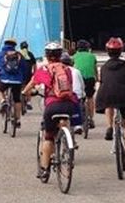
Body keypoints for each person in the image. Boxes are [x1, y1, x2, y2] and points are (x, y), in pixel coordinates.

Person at [22, 42, 80, 180]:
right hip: (69, 104)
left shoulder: (44, 69)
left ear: (47, 55)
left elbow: (32, 84)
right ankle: (67, 145)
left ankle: (45, 169)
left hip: (52, 106)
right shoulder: (67, 69)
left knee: (48, 137)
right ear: (60, 55)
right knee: (64, 121)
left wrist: (24, 93)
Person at [95, 37, 125, 165]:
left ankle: (109, 127)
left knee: (109, 104)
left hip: (107, 95)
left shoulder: (104, 67)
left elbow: (103, 82)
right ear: (120, 51)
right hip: (124, 96)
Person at [0, 38, 27, 127]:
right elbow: (25, 69)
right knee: (17, 99)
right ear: (14, 46)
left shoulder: (1, 55)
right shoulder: (19, 55)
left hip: (4, 79)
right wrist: (24, 81)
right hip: (17, 81)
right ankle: (17, 120)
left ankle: (3, 102)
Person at [73, 39, 98, 129]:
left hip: (78, 79)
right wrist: (97, 79)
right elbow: (95, 69)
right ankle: (91, 118)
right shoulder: (92, 56)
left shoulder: (74, 57)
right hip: (90, 79)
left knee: (79, 98)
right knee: (90, 98)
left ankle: (79, 117)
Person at [60, 52, 85, 134]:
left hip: (63, 95)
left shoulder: (59, 71)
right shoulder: (76, 71)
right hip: (76, 96)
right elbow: (82, 84)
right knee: (79, 105)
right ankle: (78, 125)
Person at [20, 41, 37, 110]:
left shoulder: (18, 54)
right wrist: (35, 73)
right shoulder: (30, 54)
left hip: (20, 74)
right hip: (28, 73)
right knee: (29, 86)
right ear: (27, 47)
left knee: (20, 87)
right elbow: (35, 65)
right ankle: (29, 102)